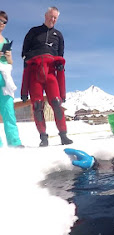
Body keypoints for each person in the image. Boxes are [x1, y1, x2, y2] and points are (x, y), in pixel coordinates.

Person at [21, 6, 72, 147]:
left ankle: (63, 135)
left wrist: (60, 65)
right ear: (45, 16)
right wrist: (23, 91)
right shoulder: (33, 31)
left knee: (56, 102)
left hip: (50, 73)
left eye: (55, 17)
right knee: (37, 105)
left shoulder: (59, 35)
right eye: (51, 16)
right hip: (34, 74)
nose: (53, 19)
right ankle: (43, 137)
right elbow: (24, 54)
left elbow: (60, 56)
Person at [0, 10, 23, 148]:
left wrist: (8, 56)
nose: (2, 24)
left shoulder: (6, 41)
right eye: (0, 20)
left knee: (9, 111)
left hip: (4, 78)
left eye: (4, 22)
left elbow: (10, 62)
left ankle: (15, 142)